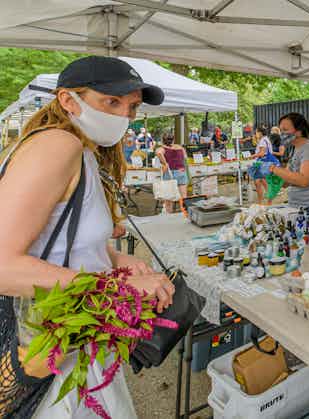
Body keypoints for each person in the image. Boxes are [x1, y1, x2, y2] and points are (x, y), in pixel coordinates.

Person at [0, 55, 175, 418]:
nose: (124, 116)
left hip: (77, 343)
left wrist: (114, 259)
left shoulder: (84, 151)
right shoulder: (57, 146)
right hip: (50, 351)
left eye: (131, 107)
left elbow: (63, 237)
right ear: (67, 100)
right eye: (111, 101)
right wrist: (117, 290)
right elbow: (3, 266)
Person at [262, 113, 309, 231]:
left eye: (285, 130)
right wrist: (271, 176)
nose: (282, 134)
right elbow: (287, 181)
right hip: (298, 207)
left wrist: (274, 169)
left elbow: (304, 180)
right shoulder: (295, 149)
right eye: (281, 130)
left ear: (299, 131)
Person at [155, 132, 188, 213]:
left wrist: (165, 163)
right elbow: (185, 157)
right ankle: (185, 214)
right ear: (173, 139)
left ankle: (169, 216)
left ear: (163, 140)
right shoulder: (180, 147)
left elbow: (159, 153)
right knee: (183, 197)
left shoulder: (162, 148)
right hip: (181, 172)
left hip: (170, 173)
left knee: (169, 198)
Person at [248, 127, 272, 204]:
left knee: (257, 182)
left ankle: (261, 202)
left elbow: (261, 153)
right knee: (261, 181)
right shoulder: (266, 139)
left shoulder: (262, 141)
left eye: (256, 132)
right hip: (266, 162)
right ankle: (266, 200)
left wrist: (252, 156)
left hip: (262, 163)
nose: (256, 134)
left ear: (260, 133)